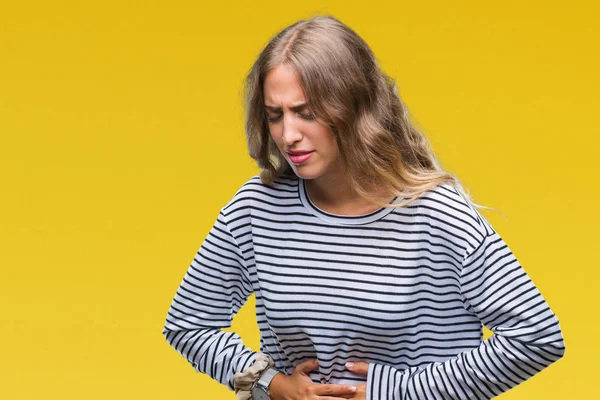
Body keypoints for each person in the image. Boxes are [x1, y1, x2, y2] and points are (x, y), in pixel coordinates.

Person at [161, 15, 565, 400]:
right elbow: (189, 324)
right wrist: (272, 384)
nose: (288, 135)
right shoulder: (256, 207)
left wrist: (399, 392)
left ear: (356, 107)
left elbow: (536, 336)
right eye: (275, 115)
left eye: (307, 113)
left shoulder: (437, 215)